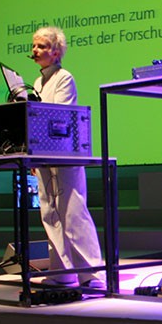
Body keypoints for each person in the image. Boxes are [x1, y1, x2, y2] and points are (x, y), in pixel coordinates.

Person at [30, 25, 105, 288]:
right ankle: (62, 272)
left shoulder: (64, 78)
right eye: (34, 46)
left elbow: (58, 115)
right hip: (43, 157)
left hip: (64, 155)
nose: (35, 50)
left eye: (41, 46)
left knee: (73, 213)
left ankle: (91, 274)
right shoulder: (38, 82)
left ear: (56, 52)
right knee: (50, 213)